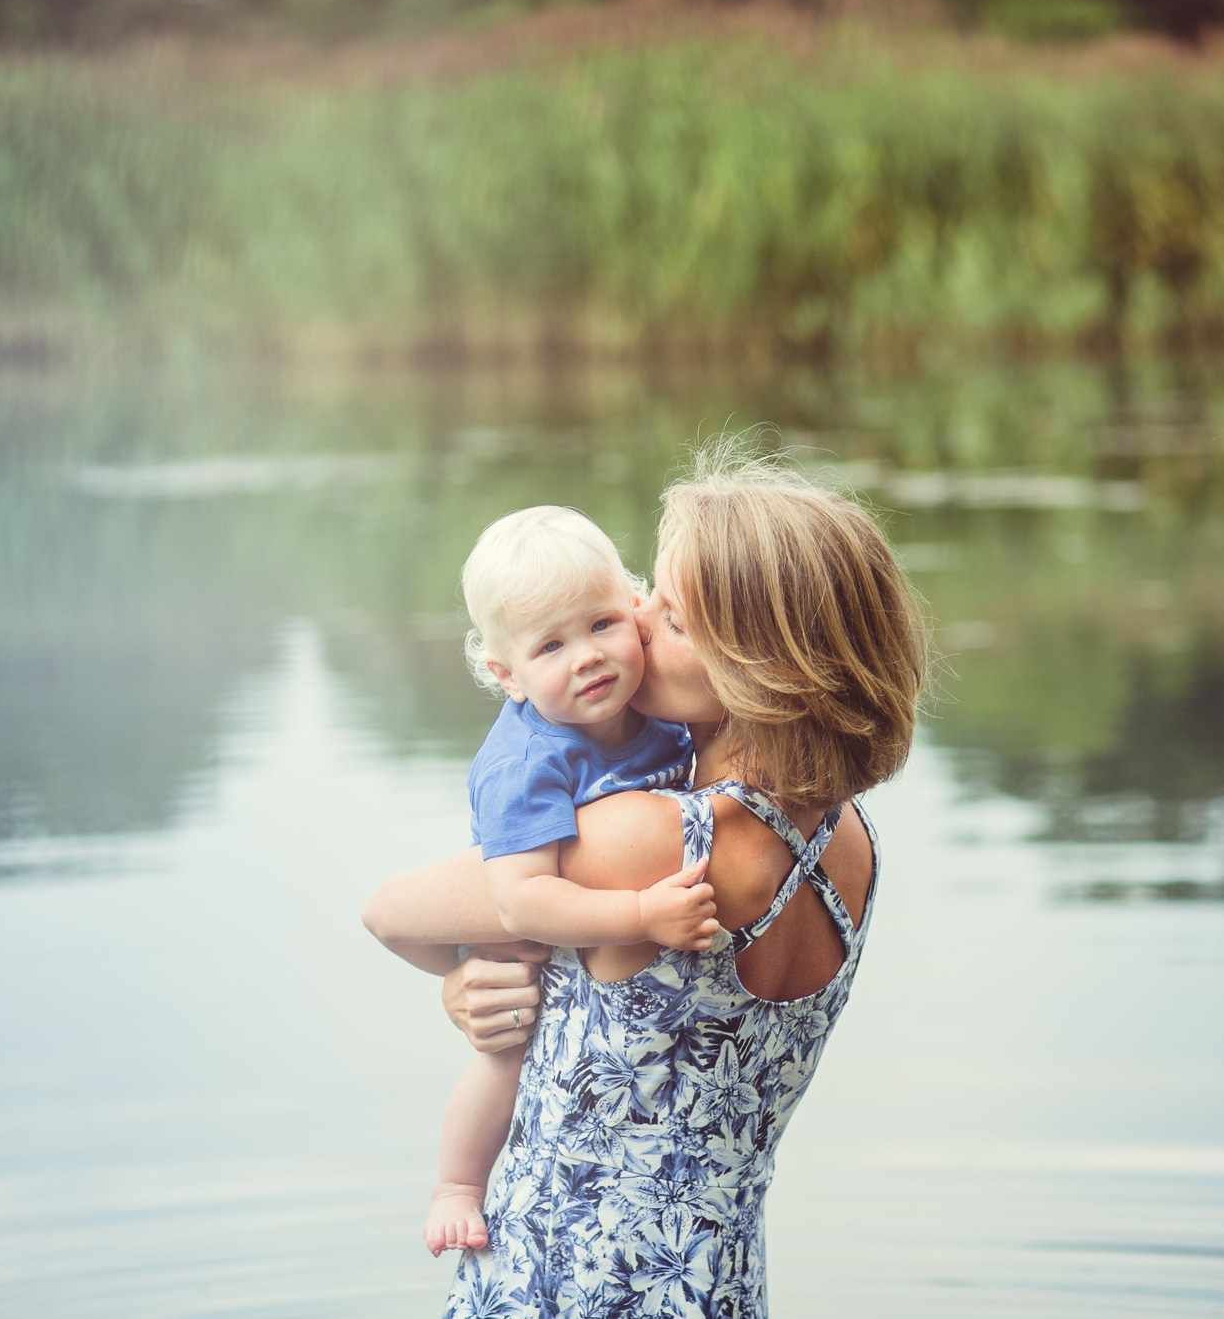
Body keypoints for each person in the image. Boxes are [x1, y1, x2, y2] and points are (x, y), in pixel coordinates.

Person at [362, 444, 931, 1318]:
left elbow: (392, 909)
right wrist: (506, 985)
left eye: (669, 612)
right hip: (719, 1286)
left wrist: (460, 973)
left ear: (755, 664)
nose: (635, 614)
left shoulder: (653, 840)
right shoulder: (852, 842)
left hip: (567, 1284)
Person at [424, 505, 722, 1257]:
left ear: (632, 607)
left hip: (596, 954)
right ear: (507, 674)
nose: (587, 656)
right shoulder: (526, 762)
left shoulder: (654, 711)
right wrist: (642, 911)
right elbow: (520, 897)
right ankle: (456, 1185)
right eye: (550, 645)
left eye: (599, 624)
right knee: (501, 1054)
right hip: (525, 925)